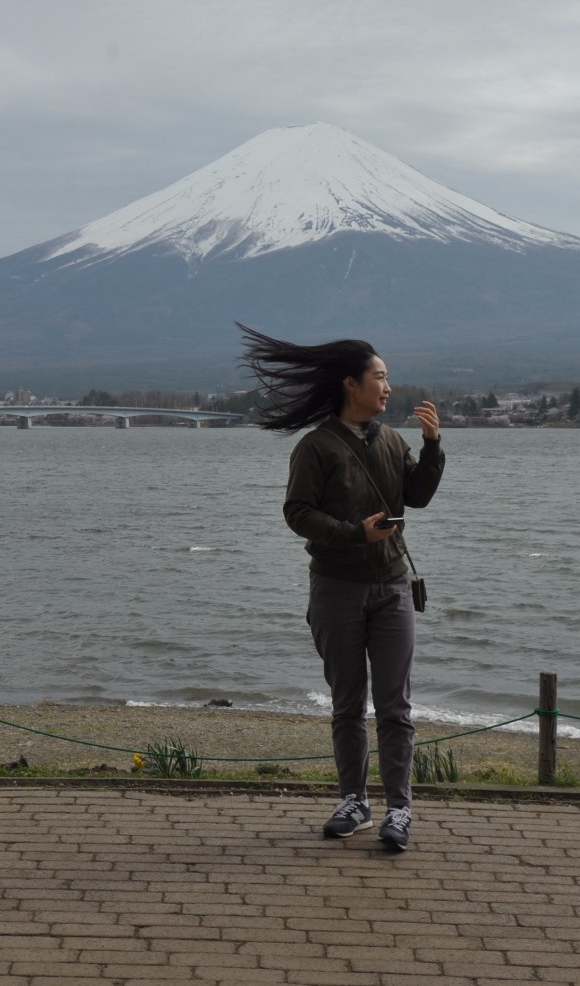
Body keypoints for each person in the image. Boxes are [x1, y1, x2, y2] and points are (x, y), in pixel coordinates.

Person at [241, 325, 444, 854]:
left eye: (388, 379)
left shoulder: (393, 439)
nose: (388, 388)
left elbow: (416, 497)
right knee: (348, 704)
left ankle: (400, 809)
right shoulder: (316, 447)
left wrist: (433, 446)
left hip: (392, 586)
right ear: (351, 384)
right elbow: (297, 513)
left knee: (395, 706)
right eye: (379, 378)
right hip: (336, 589)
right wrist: (355, 534)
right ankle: (353, 801)